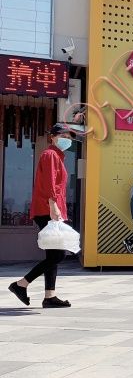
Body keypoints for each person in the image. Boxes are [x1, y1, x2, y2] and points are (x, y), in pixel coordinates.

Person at [8, 123, 75, 308]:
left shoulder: (57, 156)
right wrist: (53, 205)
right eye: (63, 136)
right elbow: (49, 182)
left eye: (69, 138)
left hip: (51, 209)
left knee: (53, 253)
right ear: (52, 137)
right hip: (48, 210)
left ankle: (49, 297)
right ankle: (21, 284)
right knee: (58, 255)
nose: (67, 140)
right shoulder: (50, 154)